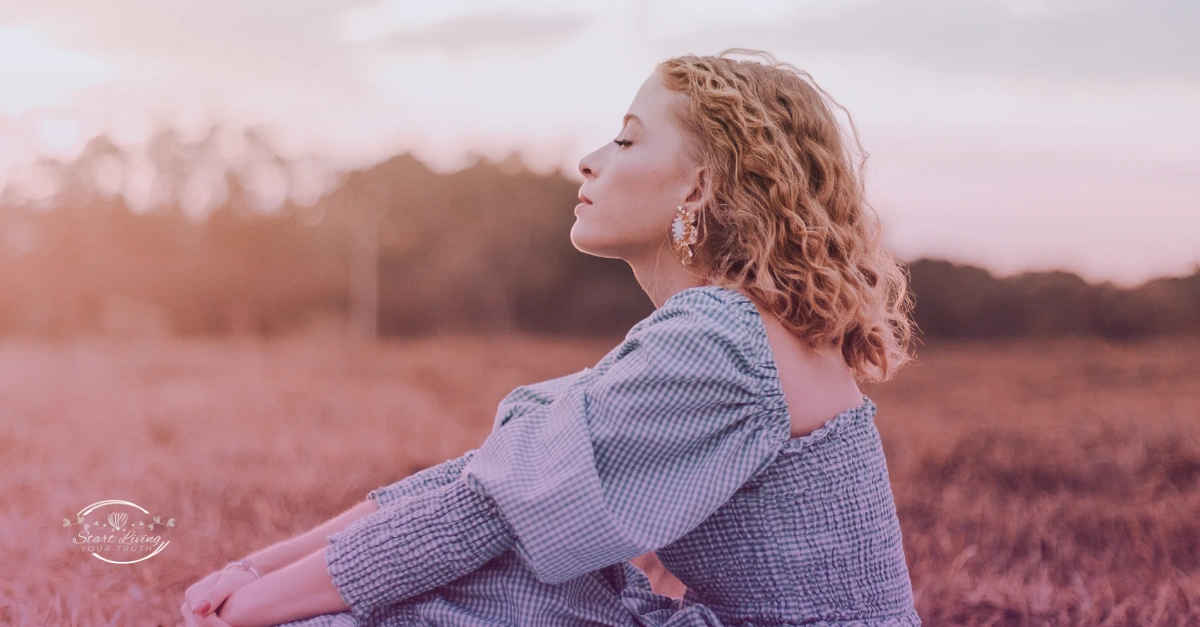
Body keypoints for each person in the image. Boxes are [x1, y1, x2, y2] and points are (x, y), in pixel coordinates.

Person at [180, 47, 921, 627]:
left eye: (628, 141)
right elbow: (487, 474)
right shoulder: (744, 330)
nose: (591, 159)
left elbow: (486, 509)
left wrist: (260, 609)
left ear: (698, 188)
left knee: (399, 597)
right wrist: (258, 569)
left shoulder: (722, 339)